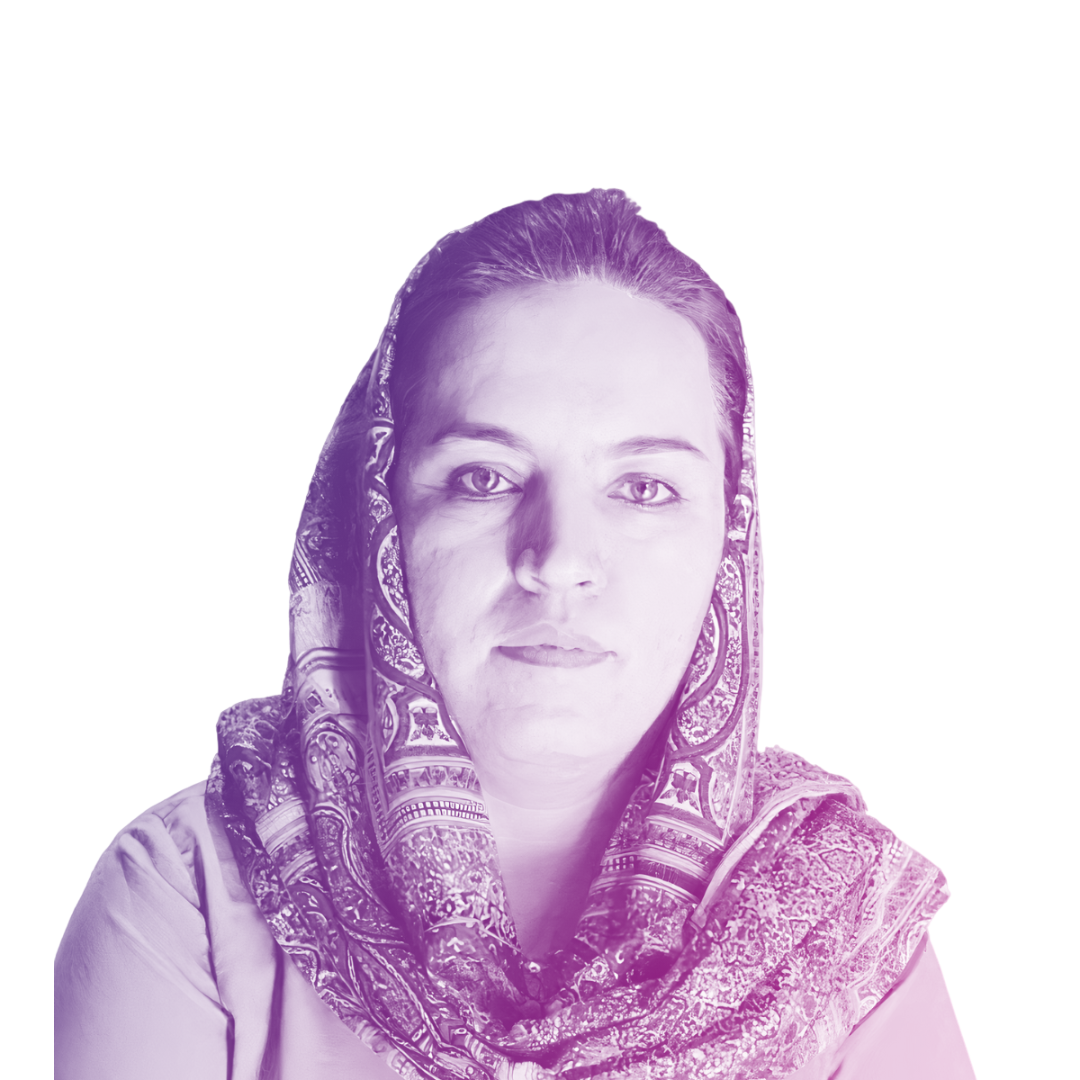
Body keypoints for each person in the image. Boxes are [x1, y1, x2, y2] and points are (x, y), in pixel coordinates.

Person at [55, 189, 976, 1079]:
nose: (559, 559)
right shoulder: (187, 893)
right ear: (376, 524)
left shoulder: (839, 933)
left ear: (728, 546)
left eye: (644, 488)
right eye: (483, 478)